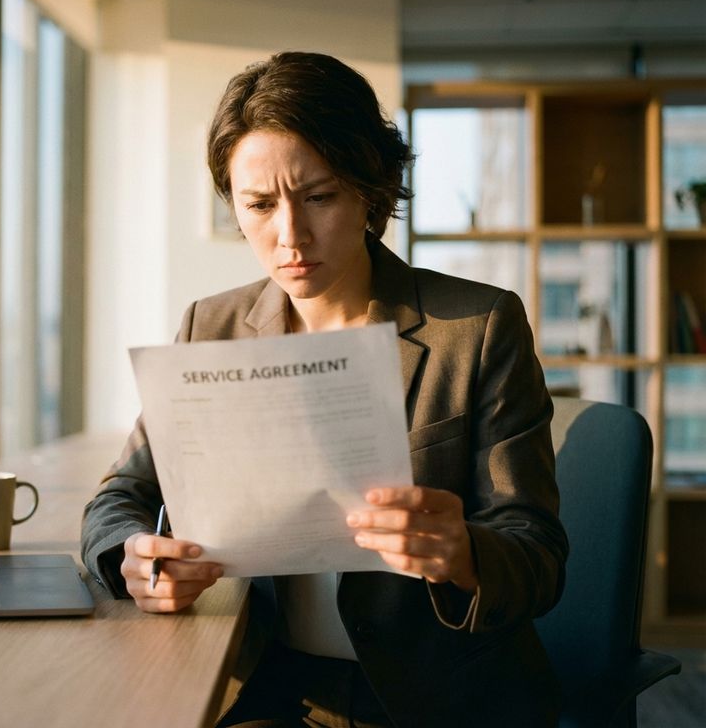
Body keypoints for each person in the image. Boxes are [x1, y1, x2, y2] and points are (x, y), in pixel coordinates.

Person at [81, 52, 568, 728]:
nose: (290, 236)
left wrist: (464, 555)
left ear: (370, 190)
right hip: (272, 683)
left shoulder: (479, 327)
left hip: (436, 697)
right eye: (258, 205)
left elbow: (538, 551)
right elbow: (119, 497)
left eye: (319, 197)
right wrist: (133, 558)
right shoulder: (211, 326)